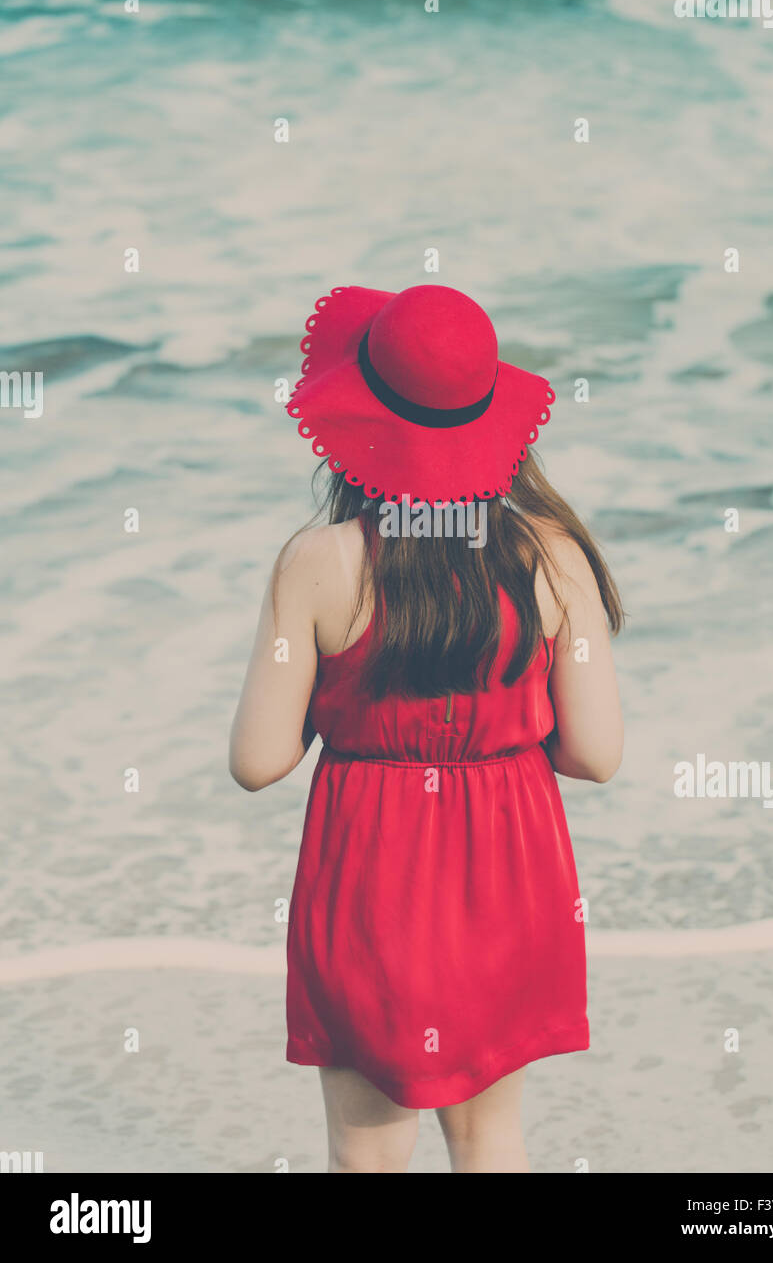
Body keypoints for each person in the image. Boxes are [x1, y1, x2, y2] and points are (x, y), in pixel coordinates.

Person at [230, 283, 624, 1173]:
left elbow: (259, 761)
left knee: (365, 1155)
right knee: (492, 1141)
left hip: (372, 882)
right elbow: (596, 755)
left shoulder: (319, 563)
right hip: (513, 874)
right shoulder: (553, 556)